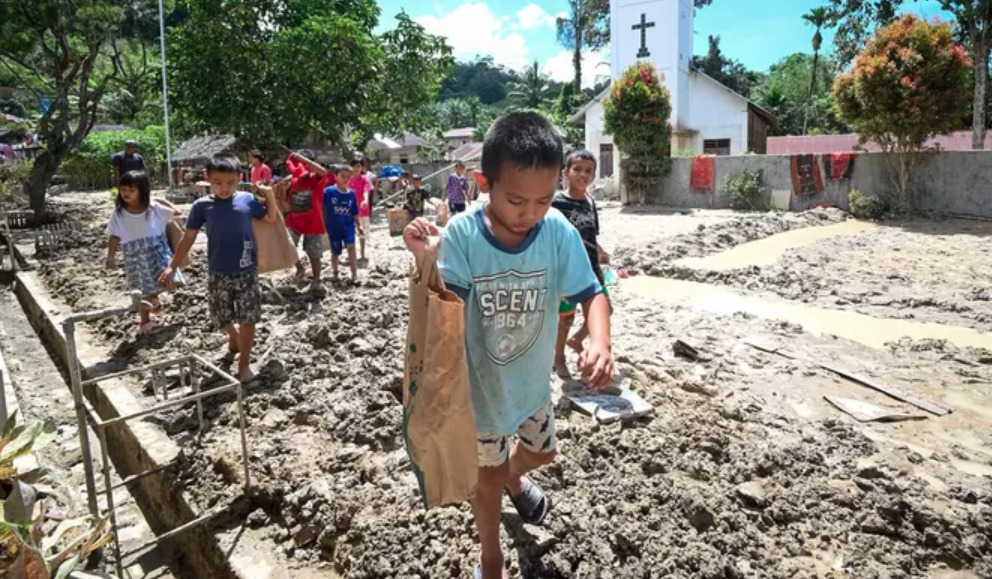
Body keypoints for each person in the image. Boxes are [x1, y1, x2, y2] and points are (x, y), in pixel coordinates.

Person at [402, 112, 614, 579]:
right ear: (485, 184)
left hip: (532, 387)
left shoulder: (556, 230)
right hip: (481, 393)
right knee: (488, 477)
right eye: (516, 200)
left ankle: (517, 475)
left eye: (543, 200)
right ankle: (491, 557)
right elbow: (445, 311)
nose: (529, 213)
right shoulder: (464, 234)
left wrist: (600, 339)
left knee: (542, 453)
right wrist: (428, 262)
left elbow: (592, 293)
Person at [160, 155, 278, 383]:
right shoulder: (201, 206)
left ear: (239, 179)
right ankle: (233, 336)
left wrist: (270, 194)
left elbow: (271, 218)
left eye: (230, 182)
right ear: (207, 178)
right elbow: (188, 237)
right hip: (218, 271)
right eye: (218, 182)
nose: (224, 188)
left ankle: (244, 364)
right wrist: (172, 267)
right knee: (220, 316)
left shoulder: (246, 200)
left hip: (246, 270)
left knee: (248, 318)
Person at [552, 150, 611, 379]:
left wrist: (601, 252)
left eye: (588, 171)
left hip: (592, 269)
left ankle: (576, 339)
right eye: (577, 169)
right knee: (566, 318)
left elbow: (590, 234)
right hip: (566, 270)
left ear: (594, 175)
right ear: (565, 172)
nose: (583, 175)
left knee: (606, 309)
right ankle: (559, 359)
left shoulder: (590, 203)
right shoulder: (556, 203)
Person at [105, 170, 183, 335]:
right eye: (123, 189)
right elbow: (114, 236)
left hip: (157, 251)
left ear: (143, 190)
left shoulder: (154, 208)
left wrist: (160, 200)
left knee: (172, 280)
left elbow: (177, 213)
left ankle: (154, 299)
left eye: (131, 190)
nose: (126, 193)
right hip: (136, 257)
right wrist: (111, 256)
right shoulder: (119, 214)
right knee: (143, 290)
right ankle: (145, 322)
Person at [285, 150, 329, 292]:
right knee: (287, 246)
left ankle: (316, 280)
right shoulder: (292, 178)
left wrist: (304, 160)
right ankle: (300, 267)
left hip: (313, 222)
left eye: (302, 163)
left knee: (314, 254)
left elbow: (323, 172)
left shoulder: (316, 178)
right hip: (294, 220)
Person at [322, 165, 362, 283]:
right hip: (333, 228)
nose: (345, 179)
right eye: (342, 176)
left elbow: (354, 211)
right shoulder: (328, 192)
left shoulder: (352, 194)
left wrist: (359, 225)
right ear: (335, 176)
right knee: (335, 251)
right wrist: (324, 224)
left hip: (348, 226)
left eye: (348, 177)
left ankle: (354, 275)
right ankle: (335, 273)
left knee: (351, 248)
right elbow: (323, 209)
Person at [348, 158, 372, 261]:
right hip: (349, 211)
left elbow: (366, 191)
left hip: (362, 211)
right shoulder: (347, 179)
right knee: (349, 234)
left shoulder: (365, 179)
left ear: (362, 168)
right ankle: (351, 254)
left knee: (362, 233)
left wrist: (365, 200)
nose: (356, 168)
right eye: (354, 166)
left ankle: (362, 253)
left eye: (358, 166)